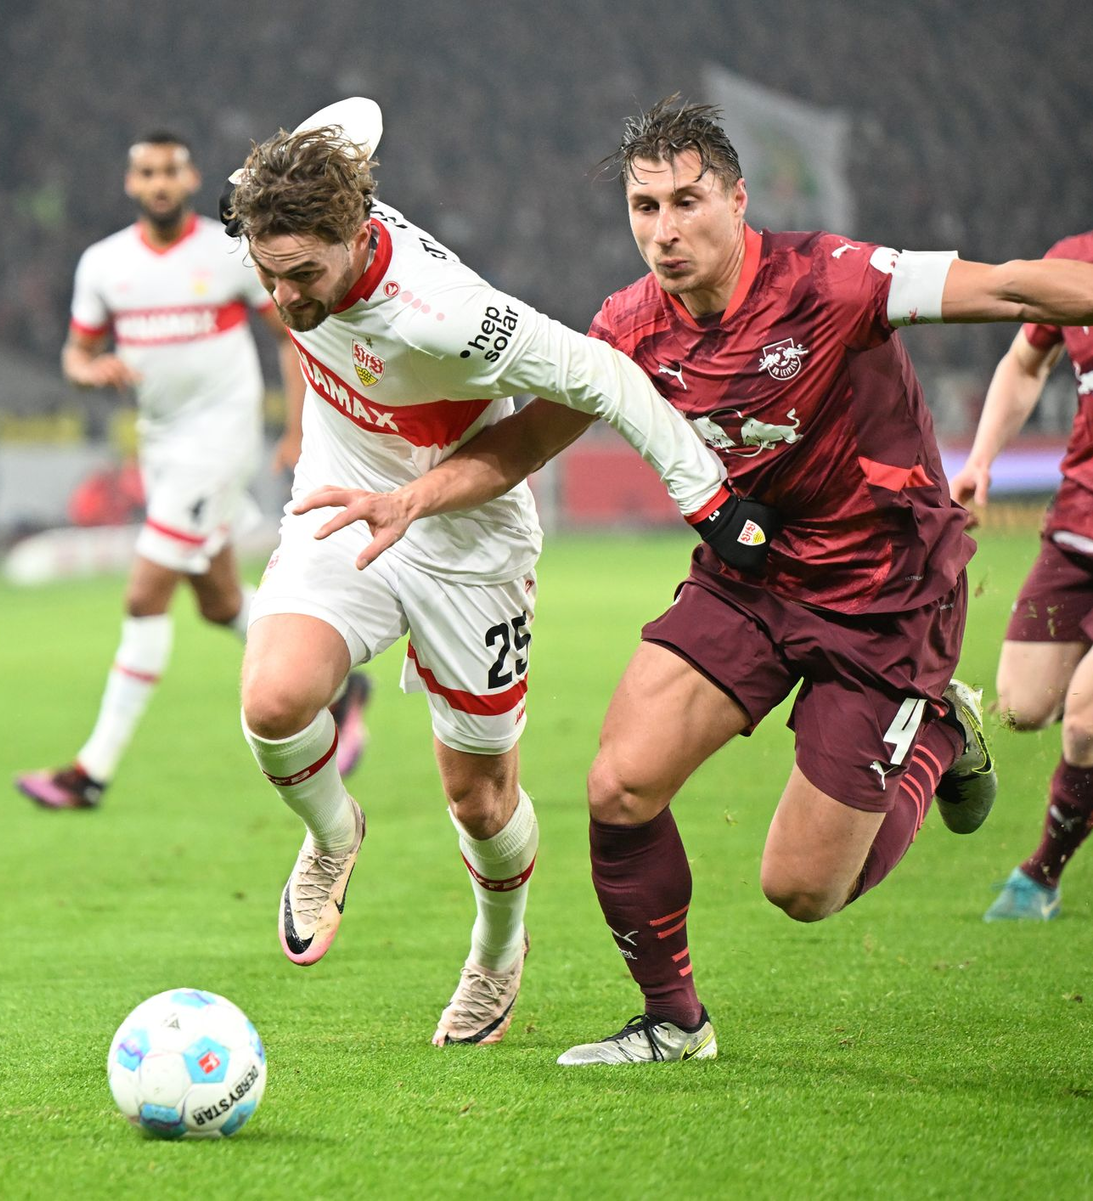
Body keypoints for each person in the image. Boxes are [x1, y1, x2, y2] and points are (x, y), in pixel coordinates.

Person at [299, 96, 1093, 1065]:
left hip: (884, 595)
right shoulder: (628, 327)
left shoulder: (838, 279)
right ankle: (674, 1021)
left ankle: (936, 733)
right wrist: (414, 497)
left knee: (802, 890)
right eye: (644, 208)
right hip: (747, 580)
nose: (664, 232)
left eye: (687, 202)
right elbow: (524, 443)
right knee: (618, 784)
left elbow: (1014, 288)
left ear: (738, 199)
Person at [222, 98, 774, 1048]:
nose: (289, 301)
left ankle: (498, 947)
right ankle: (331, 835)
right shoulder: (292, 209)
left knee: (479, 797)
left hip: (469, 540)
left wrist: (710, 502)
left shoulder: (446, 316)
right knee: (274, 700)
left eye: (306, 276)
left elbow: (602, 376)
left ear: (359, 234)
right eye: (269, 275)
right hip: (342, 500)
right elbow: (359, 113)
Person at [15, 130, 370, 810]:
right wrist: (92, 371)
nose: (159, 183)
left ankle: (91, 770)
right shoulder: (103, 264)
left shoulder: (227, 250)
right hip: (161, 446)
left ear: (189, 177)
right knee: (218, 602)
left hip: (221, 440)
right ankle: (341, 679)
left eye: (170, 171)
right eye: (146, 171)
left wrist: (296, 428)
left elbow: (292, 335)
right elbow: (76, 354)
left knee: (144, 595)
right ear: (131, 183)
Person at [951, 228, 1093, 922]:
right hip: (1078, 524)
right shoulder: (1072, 263)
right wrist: (981, 459)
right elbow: (1025, 361)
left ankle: (1039, 875)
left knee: (1086, 720)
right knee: (1022, 705)